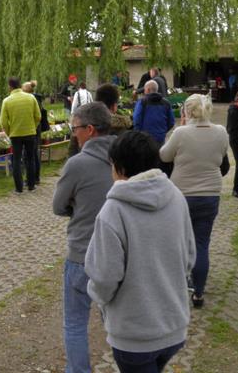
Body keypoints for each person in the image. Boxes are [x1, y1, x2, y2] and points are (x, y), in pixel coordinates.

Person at [85, 131, 196, 373]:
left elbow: (104, 277)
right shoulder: (176, 196)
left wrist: (98, 297)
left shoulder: (113, 211)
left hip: (134, 336)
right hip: (174, 328)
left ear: (120, 167)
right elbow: (189, 257)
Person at [52, 102, 115, 373]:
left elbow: (58, 206)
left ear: (89, 130)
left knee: (75, 323)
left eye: (75, 129)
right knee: (114, 321)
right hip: (116, 255)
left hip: (82, 253)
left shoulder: (77, 164)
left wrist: (78, 207)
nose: (73, 135)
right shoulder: (124, 157)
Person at [159, 93, 228, 308]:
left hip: (182, 194)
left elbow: (164, 156)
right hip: (210, 193)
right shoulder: (221, 132)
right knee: (201, 243)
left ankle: (178, 286)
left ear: (186, 112)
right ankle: (198, 292)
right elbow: (222, 156)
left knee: (179, 241)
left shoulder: (181, 133)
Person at [0, 76, 41, 193]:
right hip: (30, 133)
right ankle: (31, 185)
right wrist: (33, 126)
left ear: (10, 86)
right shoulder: (31, 98)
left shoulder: (6, 101)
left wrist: (9, 132)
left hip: (15, 134)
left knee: (17, 160)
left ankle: (19, 188)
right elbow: (38, 116)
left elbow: (3, 121)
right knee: (30, 158)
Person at [132, 80, 175, 145]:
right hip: (160, 139)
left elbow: (136, 120)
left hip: (145, 139)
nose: (144, 92)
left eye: (145, 90)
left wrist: (139, 134)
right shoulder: (166, 103)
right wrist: (162, 131)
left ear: (148, 90)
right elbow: (171, 122)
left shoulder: (142, 102)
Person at [23, 80, 48, 186]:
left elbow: (36, 116)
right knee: (34, 154)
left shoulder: (32, 100)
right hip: (36, 129)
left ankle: (31, 178)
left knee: (29, 155)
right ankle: (36, 177)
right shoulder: (37, 98)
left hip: (32, 129)